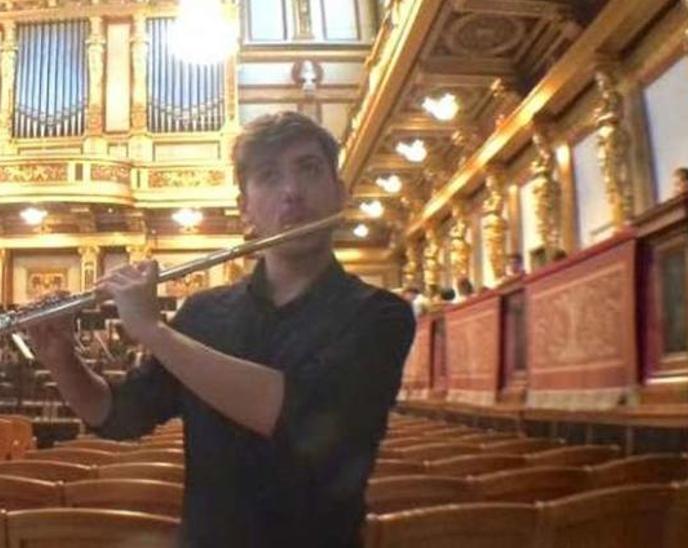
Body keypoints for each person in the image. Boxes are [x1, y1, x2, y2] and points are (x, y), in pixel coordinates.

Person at [28, 112, 416, 547]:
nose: (291, 192)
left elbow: (297, 416)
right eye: (269, 176)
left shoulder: (381, 317)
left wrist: (155, 331)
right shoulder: (203, 314)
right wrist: (61, 359)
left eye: (308, 169)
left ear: (339, 193)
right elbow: (118, 416)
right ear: (246, 211)